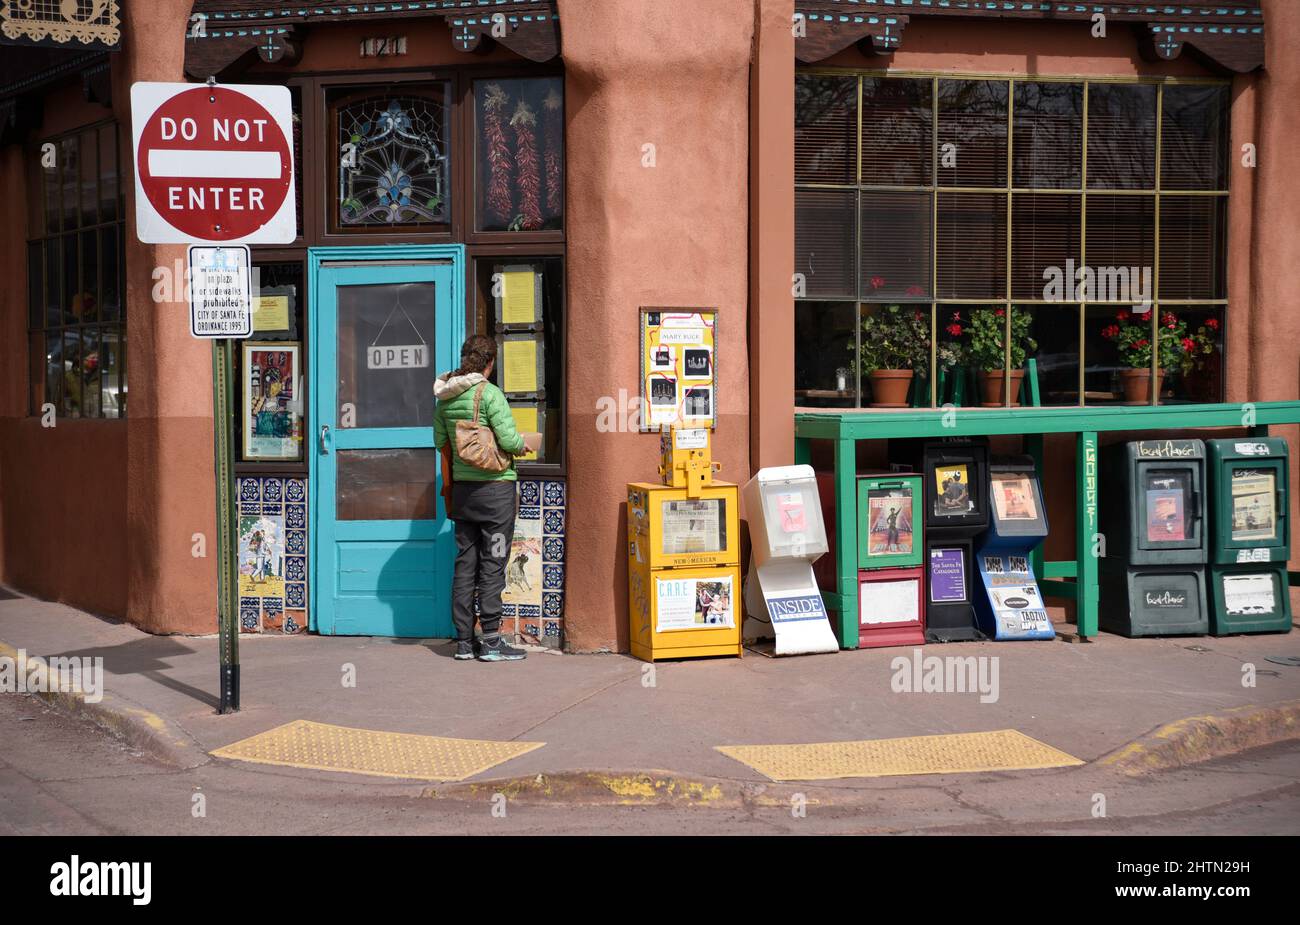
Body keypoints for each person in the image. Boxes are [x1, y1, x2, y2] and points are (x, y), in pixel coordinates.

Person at [434, 336, 541, 662]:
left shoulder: (446, 398)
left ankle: (465, 642)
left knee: (465, 564)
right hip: (495, 493)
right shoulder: (489, 394)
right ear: (489, 363)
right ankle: (492, 641)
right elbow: (508, 439)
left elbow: (441, 440)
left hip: (464, 494)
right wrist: (523, 445)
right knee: (493, 563)